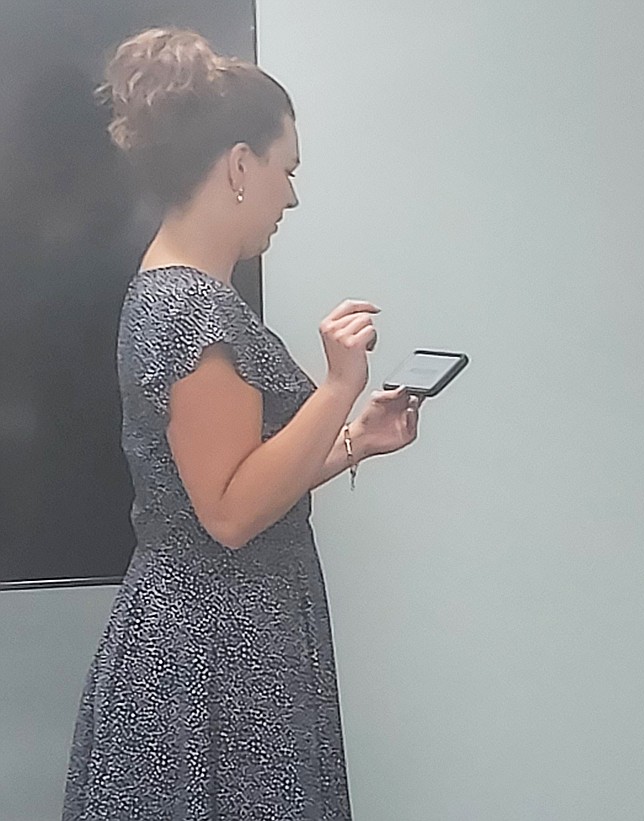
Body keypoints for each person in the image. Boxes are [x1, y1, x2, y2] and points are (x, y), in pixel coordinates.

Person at [64, 28, 420, 819]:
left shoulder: (178, 295)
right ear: (237, 166)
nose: (290, 195)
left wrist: (357, 438)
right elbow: (228, 512)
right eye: (285, 170)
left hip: (222, 642)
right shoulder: (191, 307)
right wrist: (337, 387)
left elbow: (239, 479)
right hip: (217, 660)